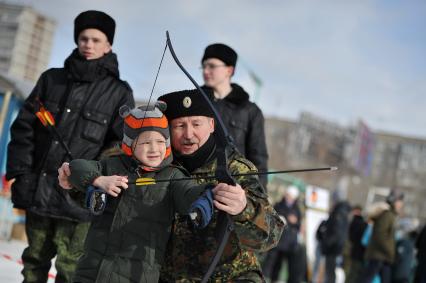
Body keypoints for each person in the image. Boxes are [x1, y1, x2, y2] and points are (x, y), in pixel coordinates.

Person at [6, 10, 134, 282]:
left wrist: (96, 179)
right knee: (33, 261)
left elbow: (119, 146)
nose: (88, 44)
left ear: (108, 45)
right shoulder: (51, 79)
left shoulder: (119, 92)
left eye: (96, 40)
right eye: (83, 38)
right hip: (38, 190)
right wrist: (21, 173)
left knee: (70, 267)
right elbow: (23, 128)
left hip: (80, 198)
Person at [59, 102, 227, 282]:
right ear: (130, 144)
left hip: (137, 274)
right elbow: (76, 166)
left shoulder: (172, 176)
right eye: (146, 142)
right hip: (92, 270)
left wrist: (206, 195)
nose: (154, 149)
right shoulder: (112, 165)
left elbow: (189, 193)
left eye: (161, 141)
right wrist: (99, 180)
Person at [155, 89, 284, 282]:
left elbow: (271, 235)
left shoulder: (235, 169)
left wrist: (244, 209)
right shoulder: (158, 165)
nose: (188, 134)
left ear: (212, 125)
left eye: (196, 124)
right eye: (179, 125)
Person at [200, 43, 269, 189]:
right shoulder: (194, 102)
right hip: (196, 186)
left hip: (233, 190)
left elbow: (259, 162)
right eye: (204, 66)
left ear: (229, 70)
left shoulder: (251, 111)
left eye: (212, 66)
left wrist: (254, 196)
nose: (206, 71)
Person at [361, 189, 405, 283]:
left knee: (382, 279)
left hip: (383, 257)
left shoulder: (391, 215)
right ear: (394, 201)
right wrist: (391, 252)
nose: (401, 204)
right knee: (367, 279)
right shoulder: (387, 215)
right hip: (379, 255)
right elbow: (380, 235)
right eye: (400, 201)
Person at [262, 185, 304, 283]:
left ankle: (274, 279)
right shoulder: (278, 205)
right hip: (277, 239)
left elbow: (299, 225)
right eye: (288, 195)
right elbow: (272, 217)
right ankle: (264, 278)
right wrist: (281, 220)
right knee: (270, 261)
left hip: (288, 242)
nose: (289, 198)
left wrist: (294, 222)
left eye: (291, 196)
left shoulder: (296, 209)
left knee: (279, 263)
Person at [319, 191, 351, 283]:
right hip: (337, 247)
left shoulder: (338, 214)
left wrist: (327, 242)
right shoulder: (343, 214)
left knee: (330, 273)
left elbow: (336, 232)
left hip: (333, 248)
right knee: (331, 272)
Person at [346, 205, 368, 283]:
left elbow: (351, 238)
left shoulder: (354, 222)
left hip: (355, 252)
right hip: (360, 254)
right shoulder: (362, 223)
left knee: (352, 273)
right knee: (354, 274)